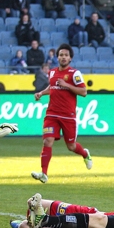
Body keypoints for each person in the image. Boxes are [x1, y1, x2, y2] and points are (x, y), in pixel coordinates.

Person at [32, 44, 93, 184]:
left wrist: (67, 85)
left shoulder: (74, 74)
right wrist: (41, 93)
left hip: (68, 116)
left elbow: (83, 92)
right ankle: (44, 173)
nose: (63, 57)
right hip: (52, 114)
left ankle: (85, 154)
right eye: (61, 55)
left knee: (71, 146)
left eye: (66, 55)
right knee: (47, 141)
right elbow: (52, 87)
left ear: (70, 58)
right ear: (57, 57)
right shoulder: (52, 72)